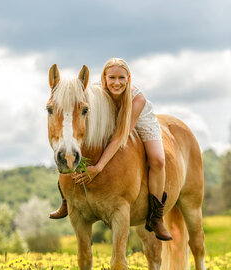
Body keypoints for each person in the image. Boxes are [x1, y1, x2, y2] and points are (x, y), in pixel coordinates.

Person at [50, 58, 172, 241]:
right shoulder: (97, 93)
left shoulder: (137, 99)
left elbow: (120, 137)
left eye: (121, 78)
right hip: (109, 118)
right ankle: (67, 199)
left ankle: (156, 216)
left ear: (128, 78)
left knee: (158, 160)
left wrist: (98, 167)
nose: (116, 82)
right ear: (104, 78)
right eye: (112, 77)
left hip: (138, 119)